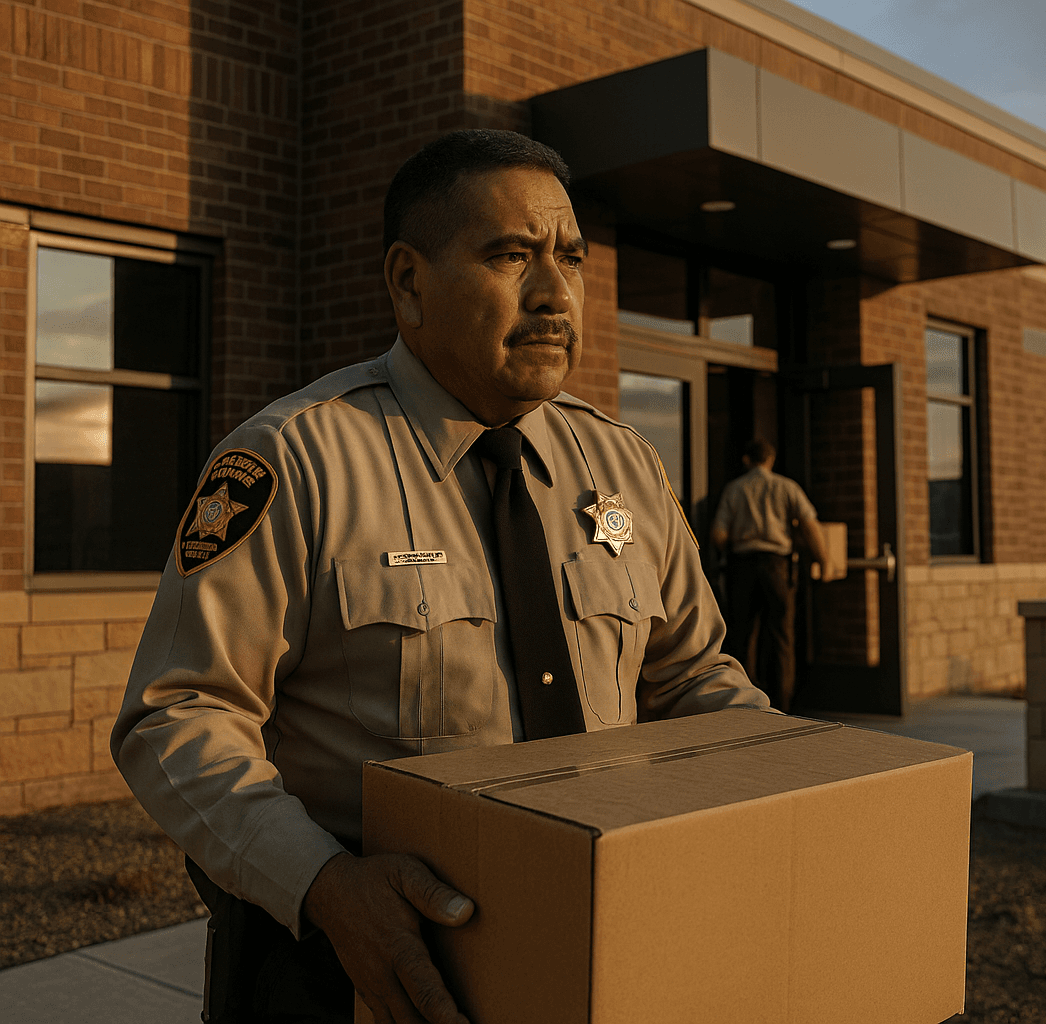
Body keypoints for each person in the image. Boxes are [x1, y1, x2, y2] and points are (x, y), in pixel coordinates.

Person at [111, 129, 769, 1024]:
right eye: (511, 256)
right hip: (353, 965)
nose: (553, 293)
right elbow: (178, 714)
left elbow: (693, 678)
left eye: (570, 259)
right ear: (409, 282)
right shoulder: (294, 460)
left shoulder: (626, 469)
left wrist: (781, 793)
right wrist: (326, 886)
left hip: (593, 940)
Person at [709, 440, 829, 711]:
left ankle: (746, 703)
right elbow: (810, 525)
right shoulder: (787, 487)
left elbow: (719, 534)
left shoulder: (735, 489)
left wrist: (724, 553)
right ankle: (783, 704)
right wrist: (825, 561)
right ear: (771, 459)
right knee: (781, 636)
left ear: (746, 460)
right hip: (777, 566)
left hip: (742, 566)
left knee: (743, 635)